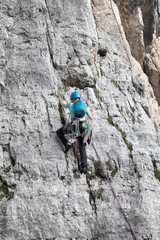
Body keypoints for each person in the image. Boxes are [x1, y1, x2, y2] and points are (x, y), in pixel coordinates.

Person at [56, 91, 93, 174]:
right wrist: (88, 110)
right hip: (84, 126)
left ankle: (67, 143)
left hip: (75, 127)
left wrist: (62, 101)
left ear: (72, 99)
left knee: (59, 132)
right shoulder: (83, 107)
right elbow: (91, 118)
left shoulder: (71, 105)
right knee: (82, 147)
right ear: (79, 98)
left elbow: (63, 104)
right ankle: (84, 167)